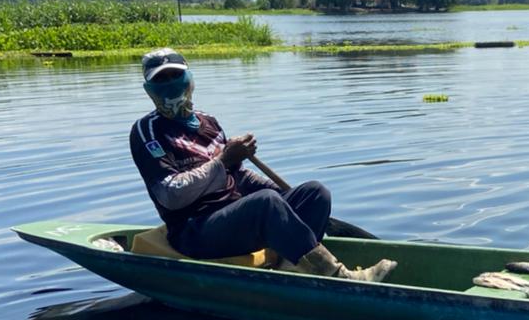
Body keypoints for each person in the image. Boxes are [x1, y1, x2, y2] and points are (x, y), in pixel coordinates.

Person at [128, 48, 396, 281]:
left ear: (189, 78)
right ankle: (336, 275)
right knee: (266, 203)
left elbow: (238, 176)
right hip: (194, 231)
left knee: (314, 193)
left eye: (176, 75)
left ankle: (292, 266)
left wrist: (284, 201)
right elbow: (170, 195)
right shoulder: (147, 131)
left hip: (235, 217)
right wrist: (223, 161)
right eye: (161, 79)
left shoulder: (208, 122)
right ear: (149, 90)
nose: (171, 84)